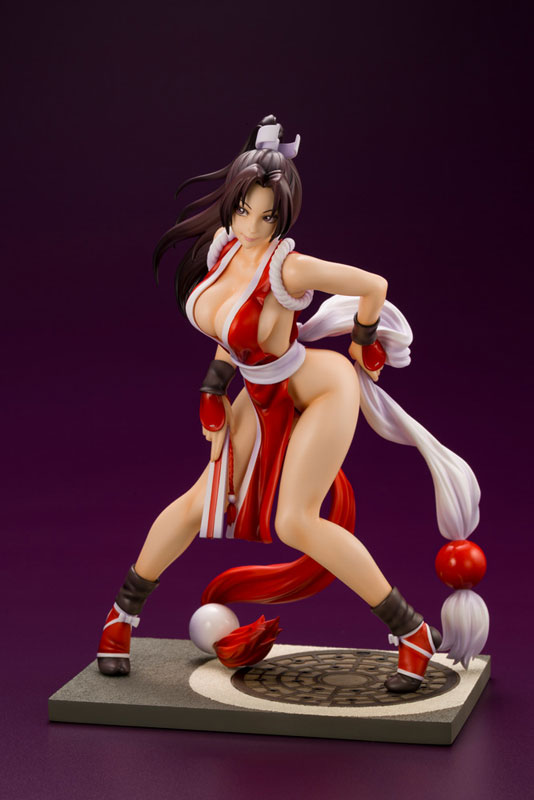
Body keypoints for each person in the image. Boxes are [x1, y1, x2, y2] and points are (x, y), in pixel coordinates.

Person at [97, 115, 482, 692]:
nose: (252, 225)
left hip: (318, 388)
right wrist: (212, 388)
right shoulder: (225, 250)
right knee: (198, 503)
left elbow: (373, 286)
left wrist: (363, 342)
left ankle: (413, 633)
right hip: (257, 392)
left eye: (267, 216)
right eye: (243, 210)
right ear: (231, 204)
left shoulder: (287, 266)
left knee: (296, 521)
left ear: (282, 218)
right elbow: (232, 338)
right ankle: (120, 618)